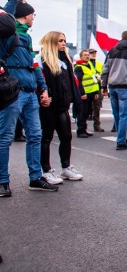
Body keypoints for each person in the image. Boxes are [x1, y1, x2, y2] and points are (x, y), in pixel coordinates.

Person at [0, 0, 57, 196]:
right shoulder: (6, 33)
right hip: (11, 93)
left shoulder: (27, 36)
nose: (34, 18)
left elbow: (32, 65)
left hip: (30, 92)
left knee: (35, 135)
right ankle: (2, 182)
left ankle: (35, 178)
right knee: (4, 137)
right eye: (33, 15)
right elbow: (3, 17)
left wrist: (42, 88)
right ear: (25, 16)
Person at [37, 32, 84, 184]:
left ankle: (66, 167)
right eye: (60, 41)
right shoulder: (41, 59)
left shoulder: (65, 61)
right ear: (52, 42)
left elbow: (71, 84)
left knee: (66, 137)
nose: (63, 44)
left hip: (63, 106)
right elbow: (38, 81)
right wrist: (43, 96)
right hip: (48, 106)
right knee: (46, 138)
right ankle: (46, 170)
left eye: (65, 41)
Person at [101, 31, 127, 150]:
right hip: (126, 86)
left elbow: (105, 69)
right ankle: (121, 141)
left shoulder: (112, 51)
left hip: (112, 86)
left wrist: (103, 85)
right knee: (124, 115)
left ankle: (121, 136)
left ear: (121, 38)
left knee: (117, 114)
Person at [74, 49, 99, 138]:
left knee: (88, 112)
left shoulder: (90, 65)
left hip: (91, 92)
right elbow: (78, 82)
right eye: (85, 55)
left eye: (88, 55)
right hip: (85, 94)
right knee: (82, 113)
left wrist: (96, 92)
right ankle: (80, 131)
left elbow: (94, 79)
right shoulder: (79, 67)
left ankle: (84, 129)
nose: (87, 56)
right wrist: (81, 93)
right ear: (81, 57)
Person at [88, 48, 105, 132]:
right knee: (86, 108)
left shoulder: (98, 64)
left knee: (97, 107)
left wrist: (102, 84)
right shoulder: (85, 63)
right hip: (87, 88)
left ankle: (97, 125)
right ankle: (83, 127)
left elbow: (102, 73)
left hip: (97, 87)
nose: (93, 54)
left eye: (94, 53)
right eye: (91, 53)